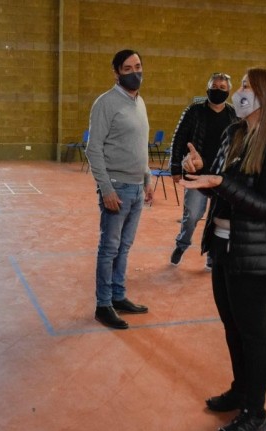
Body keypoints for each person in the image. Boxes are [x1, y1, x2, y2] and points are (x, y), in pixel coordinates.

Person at [180, 66, 266, 431]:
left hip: (254, 252)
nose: (240, 93)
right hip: (223, 244)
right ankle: (240, 391)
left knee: (253, 331)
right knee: (232, 326)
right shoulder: (237, 132)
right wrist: (205, 173)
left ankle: (256, 412)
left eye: (248, 86)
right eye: (242, 87)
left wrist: (221, 182)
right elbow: (225, 189)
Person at [85, 49, 154, 330]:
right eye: (127, 68)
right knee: (109, 248)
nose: (134, 72)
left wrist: (148, 178)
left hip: (137, 187)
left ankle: (118, 295)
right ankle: (103, 305)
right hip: (117, 187)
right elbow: (94, 149)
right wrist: (106, 189)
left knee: (124, 247)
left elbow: (140, 145)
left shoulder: (140, 102)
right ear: (116, 72)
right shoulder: (105, 103)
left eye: (138, 66)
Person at [169, 73, 237, 270]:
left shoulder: (234, 116)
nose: (218, 90)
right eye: (214, 86)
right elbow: (178, 138)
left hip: (222, 178)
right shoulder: (194, 111)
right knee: (192, 215)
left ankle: (211, 255)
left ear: (228, 91)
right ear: (207, 88)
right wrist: (175, 167)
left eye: (222, 88)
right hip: (196, 176)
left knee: (217, 219)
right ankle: (182, 245)